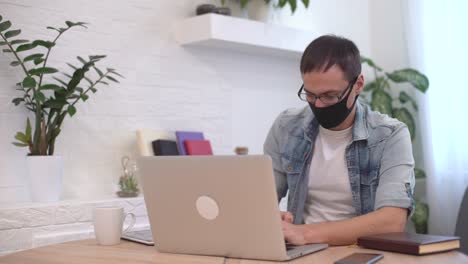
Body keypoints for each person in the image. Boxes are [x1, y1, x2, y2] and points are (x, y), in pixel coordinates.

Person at [263, 35, 415, 246]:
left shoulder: (390, 135)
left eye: (330, 96)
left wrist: (305, 233)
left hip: (360, 253)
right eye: (310, 95)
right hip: (300, 252)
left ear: (358, 84)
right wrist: (270, 219)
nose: (319, 104)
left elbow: (391, 221)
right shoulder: (286, 127)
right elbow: (262, 200)